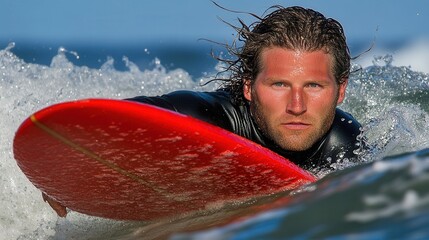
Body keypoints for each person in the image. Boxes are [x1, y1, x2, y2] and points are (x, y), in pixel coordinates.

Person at [43, 5, 363, 217]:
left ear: (341, 90)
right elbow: (107, 122)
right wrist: (66, 164)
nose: (297, 106)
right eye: (279, 85)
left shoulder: (345, 143)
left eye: (314, 86)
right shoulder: (207, 118)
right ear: (249, 87)